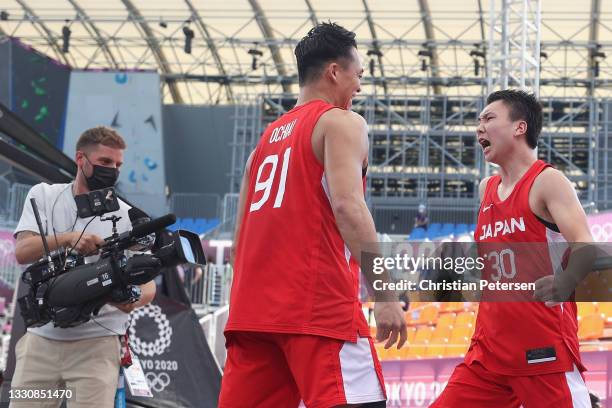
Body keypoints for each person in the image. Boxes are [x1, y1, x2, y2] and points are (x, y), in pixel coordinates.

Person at [219, 22, 407, 408]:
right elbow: (348, 208)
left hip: (251, 316)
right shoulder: (340, 123)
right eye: (358, 75)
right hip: (317, 311)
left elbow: (240, 239)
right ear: (334, 72)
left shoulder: (262, 146)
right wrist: (385, 294)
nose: (359, 86)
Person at [430, 89, 593, 407]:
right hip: (488, 355)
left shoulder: (548, 182)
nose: (479, 128)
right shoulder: (486, 189)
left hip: (542, 350)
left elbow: (585, 245)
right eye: (478, 121)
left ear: (520, 127)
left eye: (489, 118)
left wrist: (566, 280)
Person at [10, 126, 156, 408]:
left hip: (98, 347)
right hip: (40, 343)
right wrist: (67, 240)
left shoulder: (128, 216)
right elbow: (22, 252)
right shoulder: (43, 196)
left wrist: (133, 298)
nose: (112, 170)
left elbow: (149, 283)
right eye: (105, 162)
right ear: (81, 159)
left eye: (117, 164)